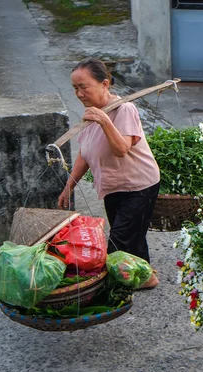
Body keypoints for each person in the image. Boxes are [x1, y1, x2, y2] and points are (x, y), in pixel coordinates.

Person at [58, 57, 160, 290]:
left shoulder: (124, 109)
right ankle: (146, 278)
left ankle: (108, 289)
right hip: (114, 187)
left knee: (119, 242)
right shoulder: (91, 114)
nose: (79, 94)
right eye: (75, 88)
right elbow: (85, 152)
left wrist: (105, 121)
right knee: (132, 236)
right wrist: (69, 186)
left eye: (84, 87)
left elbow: (121, 149)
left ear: (105, 84)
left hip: (139, 186)